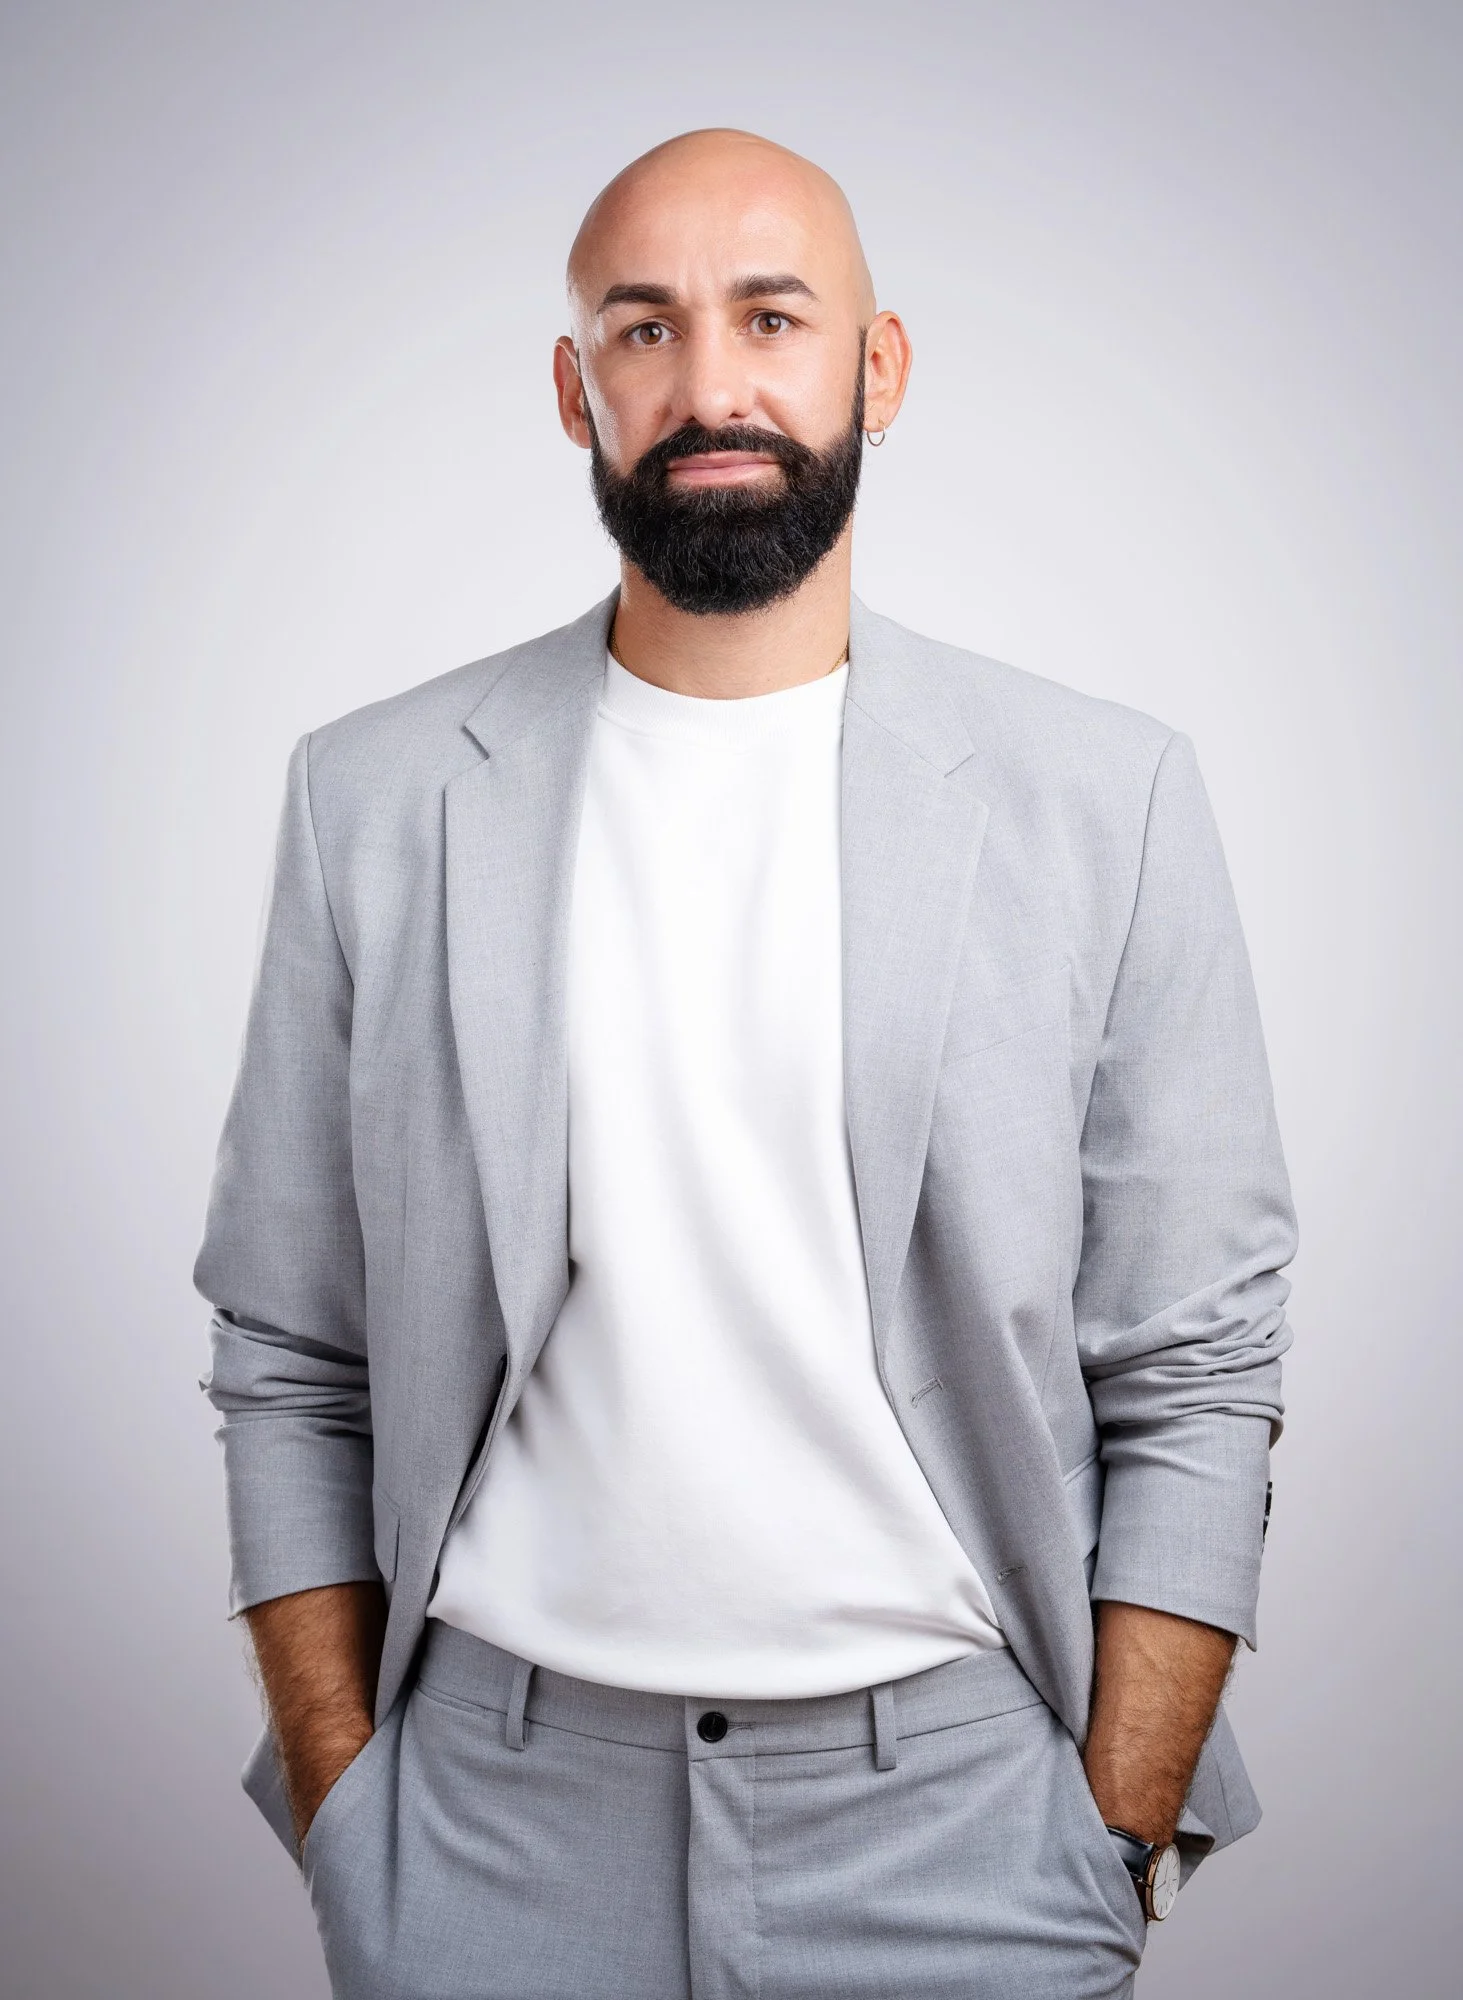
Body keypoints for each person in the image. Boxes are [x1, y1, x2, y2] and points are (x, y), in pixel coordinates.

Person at [197, 128, 1296, 2000]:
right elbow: (292, 1345)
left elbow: (1197, 1360)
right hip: (487, 1822)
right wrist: (346, 1798)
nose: (710, 385)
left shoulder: (1101, 801)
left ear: (877, 366)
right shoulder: (369, 802)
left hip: (963, 1821)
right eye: (644, 327)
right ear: (575, 389)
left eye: (771, 317)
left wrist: (1112, 1824)